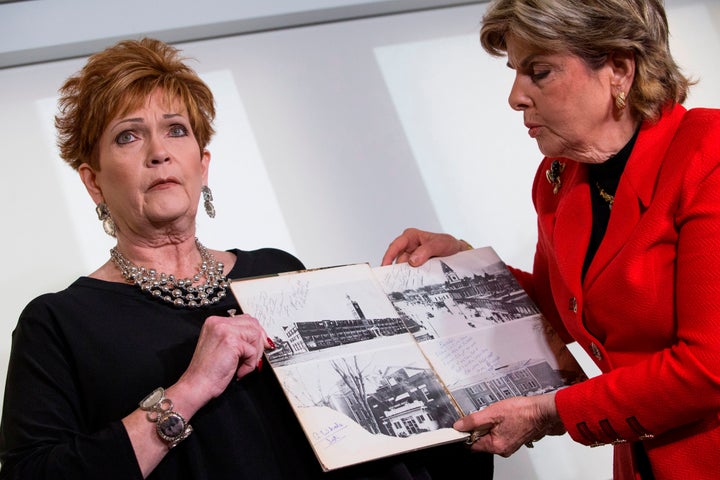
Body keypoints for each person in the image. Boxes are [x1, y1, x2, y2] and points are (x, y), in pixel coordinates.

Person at [0, 38, 493, 479]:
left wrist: (447, 310)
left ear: (203, 163)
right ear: (93, 182)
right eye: (128, 136)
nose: (158, 153)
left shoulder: (277, 271)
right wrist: (189, 390)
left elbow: (373, 432)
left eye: (176, 130)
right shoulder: (58, 324)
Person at [381, 1, 720, 479]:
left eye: (539, 72)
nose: (515, 97)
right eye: (517, 72)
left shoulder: (710, 155)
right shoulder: (559, 177)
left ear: (619, 69)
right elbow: (563, 308)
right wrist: (463, 266)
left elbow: (710, 369)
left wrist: (549, 411)